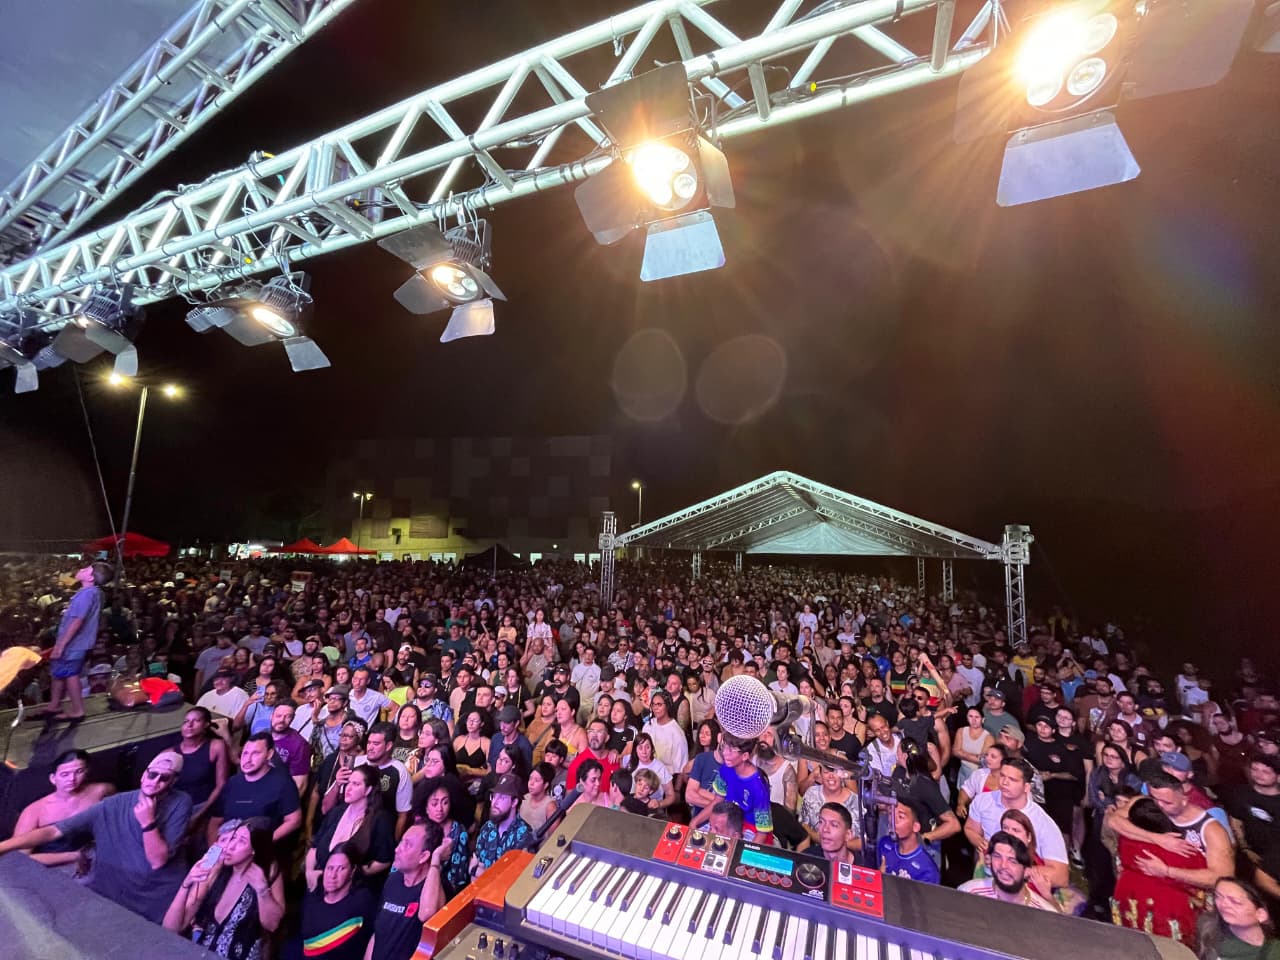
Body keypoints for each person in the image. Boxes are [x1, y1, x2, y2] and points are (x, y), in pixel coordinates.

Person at [0, 749, 192, 922]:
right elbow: (51, 832)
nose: (155, 782)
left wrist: (147, 823)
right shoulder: (36, 810)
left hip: (134, 875)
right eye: (152, 774)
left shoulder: (103, 792)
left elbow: (157, 860)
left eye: (164, 778)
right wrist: (4, 846)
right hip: (73, 866)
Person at [163, 818, 285, 959]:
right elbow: (171, 928)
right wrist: (186, 884)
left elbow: (273, 926)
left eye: (241, 841)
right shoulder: (215, 868)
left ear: (254, 850)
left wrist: (262, 891)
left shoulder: (269, 871)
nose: (230, 846)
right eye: (233, 838)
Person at [1106, 769, 1235, 895]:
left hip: (1192, 898)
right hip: (1150, 890)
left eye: (1167, 802)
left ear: (1184, 799)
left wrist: (1167, 871)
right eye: (1155, 799)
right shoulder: (1148, 803)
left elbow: (1221, 877)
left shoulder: (1211, 829)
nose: (1160, 805)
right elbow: (1114, 821)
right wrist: (1157, 839)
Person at [1111, 795, 1206, 942]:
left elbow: (1116, 821)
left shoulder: (1127, 840)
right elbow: (1201, 880)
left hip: (1129, 897)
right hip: (1166, 908)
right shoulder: (1185, 852)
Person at [965, 757, 1069, 889]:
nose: (1004, 782)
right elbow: (971, 828)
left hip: (1021, 889)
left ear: (1026, 787)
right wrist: (980, 844)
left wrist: (1013, 869)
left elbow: (1061, 876)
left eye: (1012, 780)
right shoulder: (982, 801)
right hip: (985, 879)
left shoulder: (1042, 821)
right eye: (1002, 776)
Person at [11, 748, 115, 869]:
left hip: (101, 854)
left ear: (86, 771)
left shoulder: (103, 790)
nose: (72, 779)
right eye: (65, 774)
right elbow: (20, 857)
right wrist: (72, 856)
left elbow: (118, 818)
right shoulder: (34, 811)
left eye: (79, 771)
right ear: (53, 778)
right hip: (57, 866)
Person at [364, 822, 451, 960]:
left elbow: (427, 914)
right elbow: (377, 933)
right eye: (401, 842)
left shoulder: (436, 888)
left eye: (407, 845)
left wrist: (436, 859)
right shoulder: (393, 880)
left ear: (423, 856)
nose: (397, 849)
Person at [306, 765, 396, 891]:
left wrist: (352, 874)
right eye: (348, 783)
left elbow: (384, 860)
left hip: (353, 889)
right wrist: (309, 872)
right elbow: (314, 847)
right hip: (319, 882)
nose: (349, 788)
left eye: (356, 784)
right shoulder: (337, 812)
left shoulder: (380, 819)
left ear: (368, 790)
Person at [208, 731, 303, 848]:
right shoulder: (232, 783)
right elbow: (215, 822)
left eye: (255, 754)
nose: (247, 760)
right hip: (225, 849)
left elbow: (294, 821)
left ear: (269, 754)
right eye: (245, 753)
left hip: (259, 852)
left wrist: (262, 843)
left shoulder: (283, 783)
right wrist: (213, 853)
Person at [46, 561, 111, 721]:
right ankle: (54, 704)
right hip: (74, 642)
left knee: (70, 673)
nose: (81, 569)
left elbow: (77, 621)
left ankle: (77, 710)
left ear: (90, 576)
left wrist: (60, 645)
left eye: (86, 568)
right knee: (59, 672)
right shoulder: (93, 592)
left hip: (74, 643)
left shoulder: (87, 594)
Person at [296, 844, 378, 960]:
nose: (333, 875)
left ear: (352, 871)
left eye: (341, 869)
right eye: (330, 868)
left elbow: (377, 936)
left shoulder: (363, 901)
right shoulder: (313, 896)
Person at [689, 732, 774, 844]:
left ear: (745, 756)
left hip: (751, 829)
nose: (724, 753)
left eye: (731, 750)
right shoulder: (725, 768)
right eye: (724, 747)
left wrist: (745, 856)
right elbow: (717, 801)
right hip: (726, 822)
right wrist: (694, 822)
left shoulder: (759, 786)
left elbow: (762, 832)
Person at [958, 831, 1059, 911]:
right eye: (997, 857)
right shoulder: (969, 893)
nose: (1003, 866)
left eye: (1012, 861)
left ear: (1027, 871)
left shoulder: (1042, 912)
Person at [1198, 877, 1280, 960]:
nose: (1223, 904)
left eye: (1235, 902)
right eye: (1218, 896)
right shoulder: (1208, 925)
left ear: (1261, 915)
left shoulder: (1274, 953)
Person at [173, 706, 230, 822]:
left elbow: (221, 784)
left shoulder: (216, 746)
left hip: (205, 805)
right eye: (186, 721)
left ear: (206, 725)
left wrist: (198, 815)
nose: (189, 725)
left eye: (196, 721)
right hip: (176, 809)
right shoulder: (170, 753)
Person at [471, 773, 533, 877]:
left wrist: (479, 872)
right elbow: (475, 864)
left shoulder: (524, 835)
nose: (494, 803)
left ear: (514, 802)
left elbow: (511, 880)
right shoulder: (487, 827)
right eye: (494, 796)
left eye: (502, 798)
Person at [878, 797, 940, 884]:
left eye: (900, 816)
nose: (893, 821)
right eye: (891, 814)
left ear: (915, 827)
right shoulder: (884, 844)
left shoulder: (927, 870)